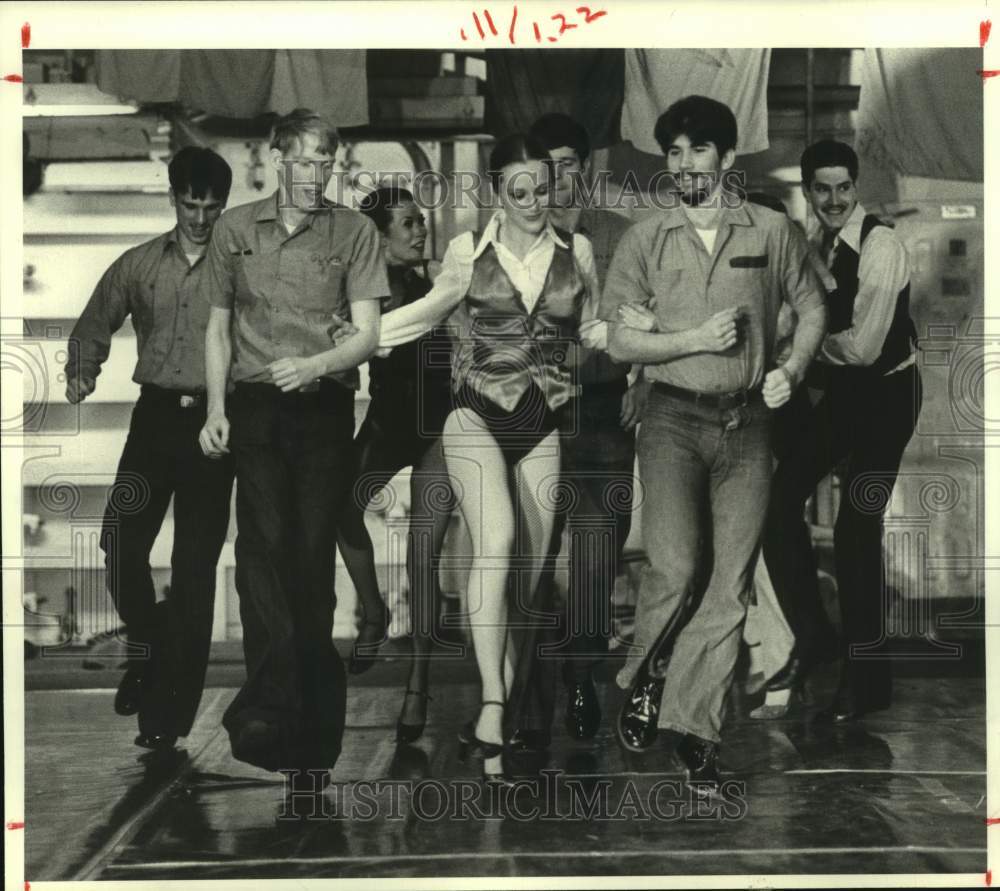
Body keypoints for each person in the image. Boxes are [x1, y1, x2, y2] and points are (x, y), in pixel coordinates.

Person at [601, 95, 827, 797]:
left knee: (729, 584)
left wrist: (793, 368)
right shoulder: (645, 238)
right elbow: (618, 341)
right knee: (674, 568)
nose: (685, 163)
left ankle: (697, 735)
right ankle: (645, 673)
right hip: (671, 420)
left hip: (748, 424)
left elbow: (813, 306)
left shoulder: (771, 228)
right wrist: (691, 339)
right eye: (674, 152)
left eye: (699, 149)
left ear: (727, 158)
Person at [377, 133, 604, 783]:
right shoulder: (466, 250)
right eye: (517, 190)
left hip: (540, 422)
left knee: (527, 583)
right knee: (496, 540)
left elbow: (592, 328)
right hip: (473, 414)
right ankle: (494, 705)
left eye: (541, 188)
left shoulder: (577, 251)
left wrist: (643, 339)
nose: (532, 201)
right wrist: (363, 338)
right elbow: (427, 313)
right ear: (498, 192)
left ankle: (500, 703)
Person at [198, 109, 387, 789]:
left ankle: (311, 745)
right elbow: (218, 328)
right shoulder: (234, 230)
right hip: (254, 409)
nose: (315, 174)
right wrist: (215, 408)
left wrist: (314, 365)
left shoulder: (356, 232)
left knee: (309, 564)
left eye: (325, 162)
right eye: (303, 161)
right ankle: (273, 711)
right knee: (260, 552)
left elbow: (367, 335)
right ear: (278, 159)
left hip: (323, 409)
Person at [65, 147, 235, 750]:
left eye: (211, 208)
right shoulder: (138, 265)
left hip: (217, 424)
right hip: (155, 421)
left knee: (194, 567)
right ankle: (148, 640)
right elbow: (94, 322)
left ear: (223, 206)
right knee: (119, 541)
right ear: (173, 199)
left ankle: (167, 719)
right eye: (190, 205)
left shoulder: (238, 266)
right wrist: (82, 370)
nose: (200, 219)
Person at [761, 139, 922, 723]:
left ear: (857, 188)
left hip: (890, 394)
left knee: (856, 529)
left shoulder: (882, 246)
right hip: (847, 394)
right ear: (808, 192)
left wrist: (796, 353)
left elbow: (863, 347)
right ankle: (816, 637)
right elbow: (792, 317)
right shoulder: (811, 245)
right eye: (822, 189)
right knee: (778, 505)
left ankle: (865, 680)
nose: (834, 199)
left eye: (843, 188)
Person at [499, 112, 644, 750]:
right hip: (533, 415)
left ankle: (581, 676)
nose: (556, 179)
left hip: (603, 413)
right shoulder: (511, 238)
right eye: (546, 167)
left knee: (594, 559)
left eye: (567, 165)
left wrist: (643, 377)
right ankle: (527, 706)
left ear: (586, 171)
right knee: (529, 560)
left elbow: (652, 312)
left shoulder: (622, 236)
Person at [333, 186, 455, 745]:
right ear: (380, 238)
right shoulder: (362, 291)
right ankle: (374, 614)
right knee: (341, 509)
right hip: (388, 424)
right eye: (407, 223)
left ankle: (418, 685)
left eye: (421, 220)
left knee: (423, 556)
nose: (420, 230)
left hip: (440, 428)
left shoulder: (441, 283)